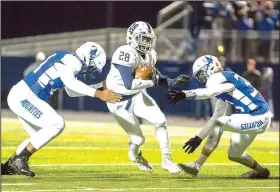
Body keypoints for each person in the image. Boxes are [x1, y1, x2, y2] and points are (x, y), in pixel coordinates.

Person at [2, 42, 120, 177]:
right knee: (56, 124)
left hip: (23, 95)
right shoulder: (73, 62)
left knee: (38, 137)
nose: (90, 70)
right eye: (92, 66)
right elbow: (72, 84)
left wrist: (100, 86)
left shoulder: (69, 59)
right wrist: (99, 94)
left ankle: (7, 167)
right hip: (25, 96)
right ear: (88, 57)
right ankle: (19, 159)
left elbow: (71, 92)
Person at [168, 55, 273, 178]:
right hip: (251, 118)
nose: (201, 79)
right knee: (234, 154)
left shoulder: (218, 77)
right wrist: (199, 138)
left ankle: (197, 165)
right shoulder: (223, 81)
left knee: (221, 122)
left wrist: (185, 94)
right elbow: (215, 116)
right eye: (198, 77)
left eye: (201, 74)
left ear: (210, 67)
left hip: (259, 116)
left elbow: (209, 92)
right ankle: (262, 172)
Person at [106, 21, 191, 173]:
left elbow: (160, 79)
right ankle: (135, 155)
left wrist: (174, 82)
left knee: (160, 120)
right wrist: (152, 81)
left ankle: (167, 160)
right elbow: (128, 84)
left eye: (148, 39)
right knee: (139, 140)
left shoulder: (151, 55)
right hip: (118, 99)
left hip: (137, 95)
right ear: (131, 38)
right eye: (142, 38)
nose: (146, 43)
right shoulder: (124, 52)